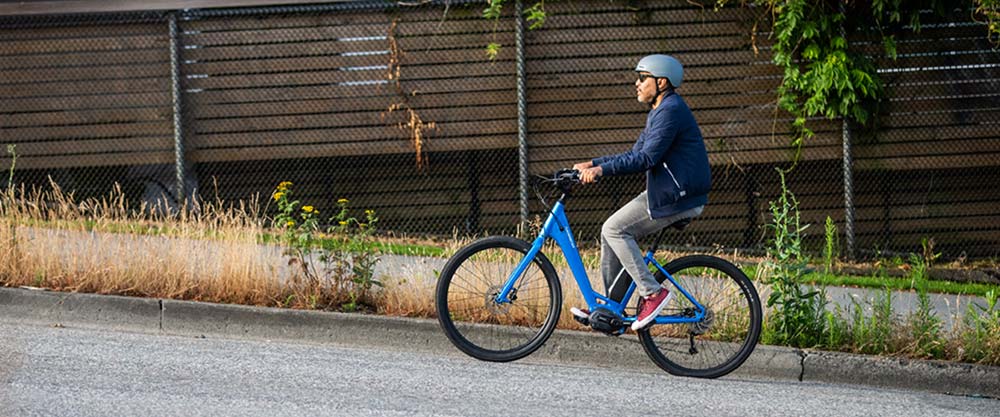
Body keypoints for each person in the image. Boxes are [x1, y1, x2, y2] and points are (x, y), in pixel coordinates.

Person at [570, 54, 712, 331]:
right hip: (667, 192)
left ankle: (652, 293)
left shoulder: (671, 111)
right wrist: (594, 163)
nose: (637, 84)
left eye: (642, 78)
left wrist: (601, 172)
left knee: (614, 229)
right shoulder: (660, 111)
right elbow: (634, 153)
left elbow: (646, 159)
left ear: (661, 82)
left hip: (677, 196)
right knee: (610, 231)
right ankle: (611, 308)